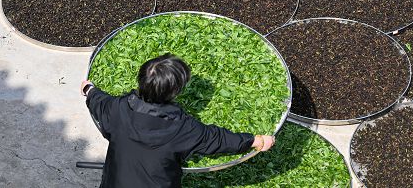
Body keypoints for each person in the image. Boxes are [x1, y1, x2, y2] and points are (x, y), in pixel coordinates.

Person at [81, 54, 276, 188]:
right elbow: (218, 139)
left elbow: (99, 101)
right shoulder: (183, 128)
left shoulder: (117, 108)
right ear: (175, 93)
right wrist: (255, 140)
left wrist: (89, 90)